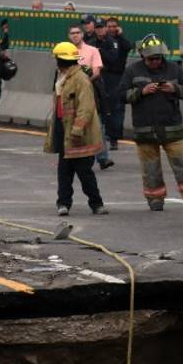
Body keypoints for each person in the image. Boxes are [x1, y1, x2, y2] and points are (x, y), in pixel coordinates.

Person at [120, 34, 183, 211]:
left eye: (158, 58)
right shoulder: (132, 71)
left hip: (171, 127)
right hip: (145, 129)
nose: (155, 61)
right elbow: (121, 95)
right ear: (143, 56)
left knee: (181, 163)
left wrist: (175, 88)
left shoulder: (174, 69)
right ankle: (155, 198)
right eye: (151, 59)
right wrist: (141, 92)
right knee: (150, 168)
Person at [46, 42, 108, 216]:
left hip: (78, 135)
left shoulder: (80, 79)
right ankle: (63, 203)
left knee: (84, 172)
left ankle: (96, 203)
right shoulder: (62, 77)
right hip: (64, 131)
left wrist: (77, 130)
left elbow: (86, 108)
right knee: (64, 172)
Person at [68, 23, 113, 170]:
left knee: (97, 124)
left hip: (90, 89)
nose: (75, 35)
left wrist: (83, 80)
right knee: (75, 124)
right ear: (69, 36)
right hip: (72, 92)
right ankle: (77, 157)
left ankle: (103, 157)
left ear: (82, 34)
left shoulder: (92, 50)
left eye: (77, 32)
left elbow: (96, 72)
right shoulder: (66, 51)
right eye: (72, 33)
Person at [97, 17, 133, 150]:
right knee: (104, 106)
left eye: (114, 27)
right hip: (103, 76)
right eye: (109, 26)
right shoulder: (101, 41)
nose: (111, 29)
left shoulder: (120, 41)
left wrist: (121, 35)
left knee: (117, 107)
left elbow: (128, 47)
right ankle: (105, 134)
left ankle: (115, 137)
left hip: (118, 77)